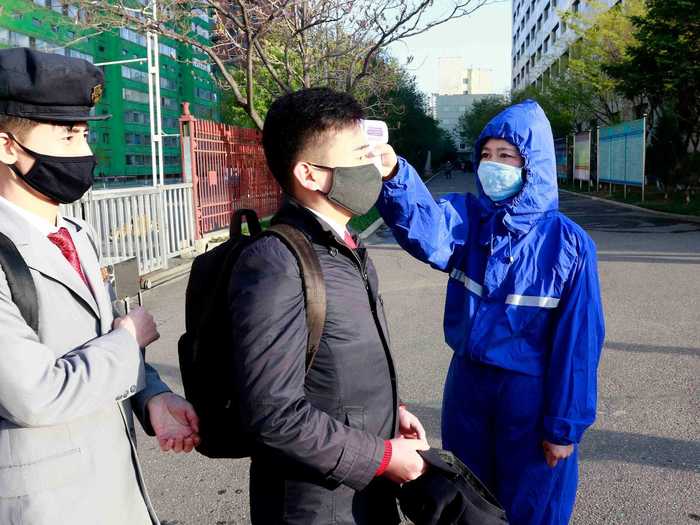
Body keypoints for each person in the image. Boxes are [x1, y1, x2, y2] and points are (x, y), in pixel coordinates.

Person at [374, 100, 605, 524]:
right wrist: (394, 173)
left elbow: (579, 345)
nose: (491, 165)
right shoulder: (470, 221)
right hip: (468, 386)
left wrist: (563, 428)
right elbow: (426, 229)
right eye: (485, 155)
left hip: (530, 398)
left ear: (531, 164)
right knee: (469, 501)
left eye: (506, 156)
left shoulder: (568, 244)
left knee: (532, 505)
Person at [0, 48, 199, 524]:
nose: (84, 154)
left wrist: (151, 395)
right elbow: (36, 394)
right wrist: (128, 340)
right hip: (43, 507)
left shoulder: (77, 233)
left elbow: (101, 338)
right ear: (8, 146)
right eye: (68, 136)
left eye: (86, 134)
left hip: (115, 489)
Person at [228, 87, 429, 525]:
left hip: (362, 485)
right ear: (310, 174)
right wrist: (380, 455)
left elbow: (334, 366)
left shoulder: (344, 246)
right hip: (316, 505)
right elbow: (273, 413)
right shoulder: (278, 261)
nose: (373, 166)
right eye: (359, 155)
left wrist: (388, 412)